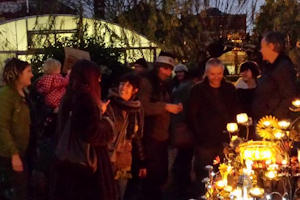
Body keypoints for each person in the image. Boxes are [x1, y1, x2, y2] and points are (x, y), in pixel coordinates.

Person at [51, 59, 117, 200]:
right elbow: (91, 132)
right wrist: (106, 121)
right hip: (85, 167)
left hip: (68, 163)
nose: (99, 80)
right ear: (90, 77)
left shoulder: (69, 96)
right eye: (97, 76)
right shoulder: (85, 99)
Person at [188, 58, 240, 196]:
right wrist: (199, 135)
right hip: (205, 139)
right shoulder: (197, 90)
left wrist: (233, 134)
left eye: (219, 73)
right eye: (212, 74)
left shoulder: (230, 89)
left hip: (225, 138)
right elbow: (192, 116)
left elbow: (234, 111)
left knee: (225, 172)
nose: (216, 77)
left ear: (223, 72)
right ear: (206, 73)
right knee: (204, 174)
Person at [138, 52, 182, 200]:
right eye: (165, 68)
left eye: (170, 69)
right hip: (150, 136)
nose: (168, 72)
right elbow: (143, 106)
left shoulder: (162, 84)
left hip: (161, 136)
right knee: (152, 176)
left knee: (161, 174)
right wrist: (166, 107)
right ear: (158, 67)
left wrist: (173, 107)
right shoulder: (147, 82)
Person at [105, 73, 146, 199]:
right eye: (122, 84)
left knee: (121, 191)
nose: (123, 87)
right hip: (107, 157)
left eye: (128, 85)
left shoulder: (137, 109)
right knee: (107, 192)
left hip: (125, 160)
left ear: (135, 90)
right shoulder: (108, 104)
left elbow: (137, 137)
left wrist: (142, 162)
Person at [0, 58, 33, 200]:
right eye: (28, 71)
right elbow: (2, 126)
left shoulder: (24, 94)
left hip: (23, 151)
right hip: (10, 155)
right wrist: (13, 154)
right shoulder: (7, 95)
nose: (32, 74)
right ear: (17, 74)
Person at [252, 31, 297, 120]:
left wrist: (273, 119)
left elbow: (288, 96)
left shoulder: (283, 68)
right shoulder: (270, 67)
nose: (261, 50)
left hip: (272, 124)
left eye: (262, 47)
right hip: (265, 120)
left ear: (271, 46)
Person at [170, 64, 199, 200]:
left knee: (184, 156)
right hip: (182, 124)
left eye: (181, 72)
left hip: (183, 124)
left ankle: (181, 183)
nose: (179, 74)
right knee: (184, 156)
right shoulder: (181, 87)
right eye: (177, 72)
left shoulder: (183, 87)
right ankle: (182, 183)